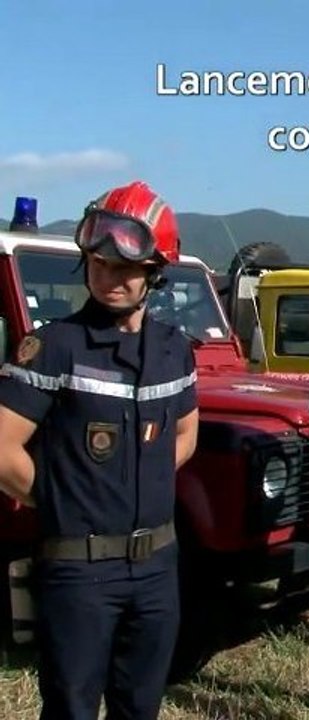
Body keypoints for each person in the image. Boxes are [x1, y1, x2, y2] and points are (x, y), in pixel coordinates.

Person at [0, 181, 200, 719]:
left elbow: (185, 435)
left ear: (156, 270)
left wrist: (141, 478)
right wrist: (64, 499)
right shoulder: (53, 347)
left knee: (141, 706)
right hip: (79, 573)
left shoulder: (173, 349)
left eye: (126, 268)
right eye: (99, 263)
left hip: (158, 567)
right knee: (72, 708)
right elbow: (2, 449)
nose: (110, 277)